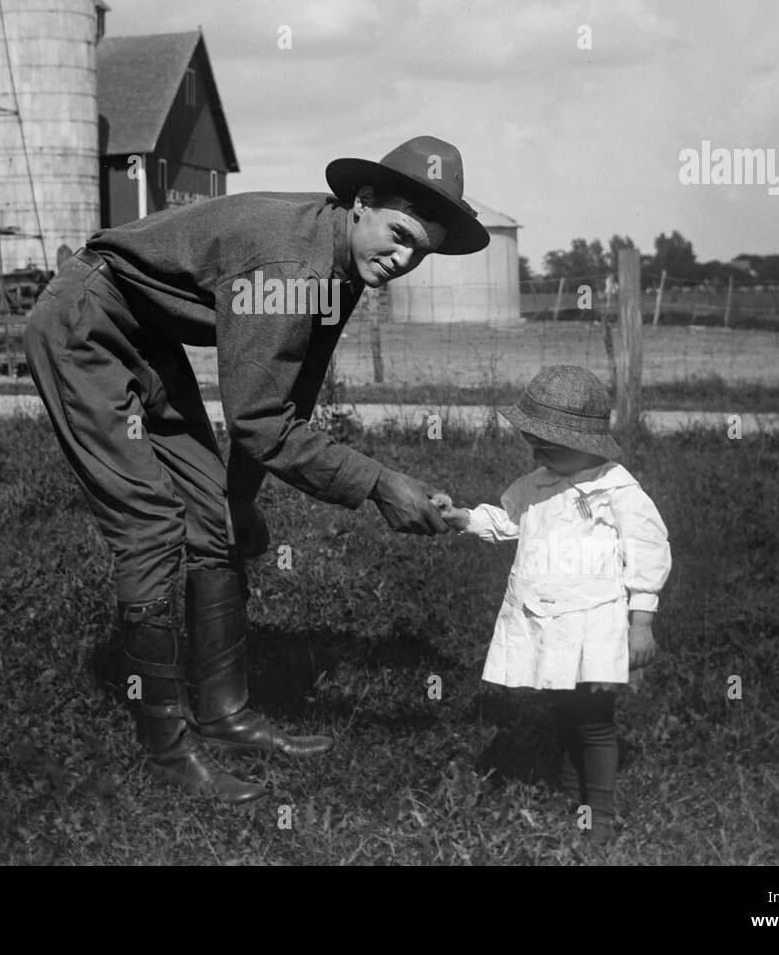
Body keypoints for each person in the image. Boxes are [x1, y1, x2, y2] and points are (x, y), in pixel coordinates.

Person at [25, 136, 490, 803]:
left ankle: (225, 714)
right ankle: (170, 756)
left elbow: (285, 397)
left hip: (147, 334)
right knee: (153, 527)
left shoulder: (341, 265)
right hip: (87, 324)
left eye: (420, 250)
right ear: (362, 205)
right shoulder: (289, 267)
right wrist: (380, 484)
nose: (404, 257)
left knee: (213, 523)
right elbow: (261, 424)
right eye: (399, 234)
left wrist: (237, 501)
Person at [432, 365, 671, 840]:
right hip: (547, 618)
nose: (538, 452)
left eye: (550, 444)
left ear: (588, 443)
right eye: (532, 442)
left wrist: (640, 621)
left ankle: (599, 815)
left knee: (595, 720)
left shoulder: (617, 491)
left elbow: (649, 552)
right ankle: (569, 786)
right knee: (564, 707)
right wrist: (462, 517)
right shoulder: (535, 484)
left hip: (594, 622)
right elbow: (506, 520)